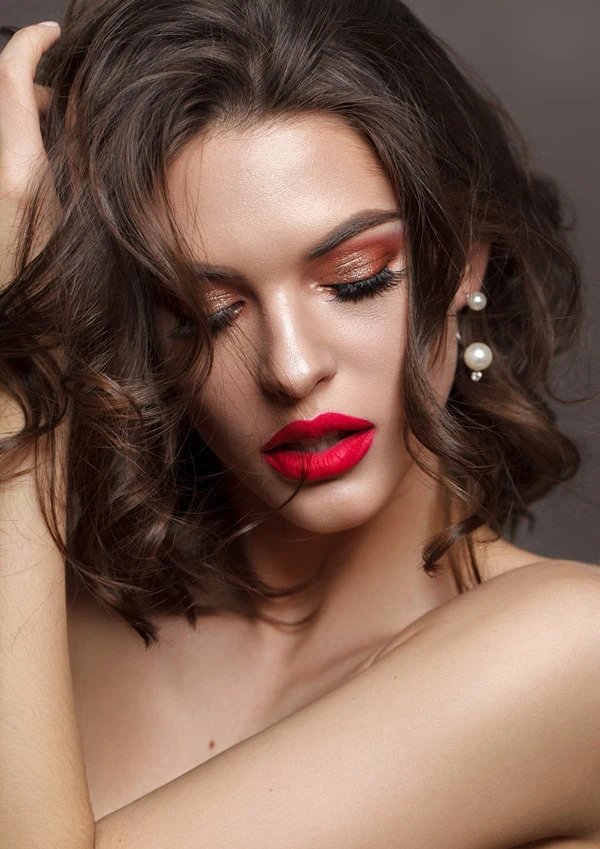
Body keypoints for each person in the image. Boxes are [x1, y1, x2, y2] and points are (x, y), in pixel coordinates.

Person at [0, 2, 598, 847]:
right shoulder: (53, 613)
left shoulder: (574, 653)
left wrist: (14, 361)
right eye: (209, 313)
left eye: (354, 280)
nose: (288, 366)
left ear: (464, 262)